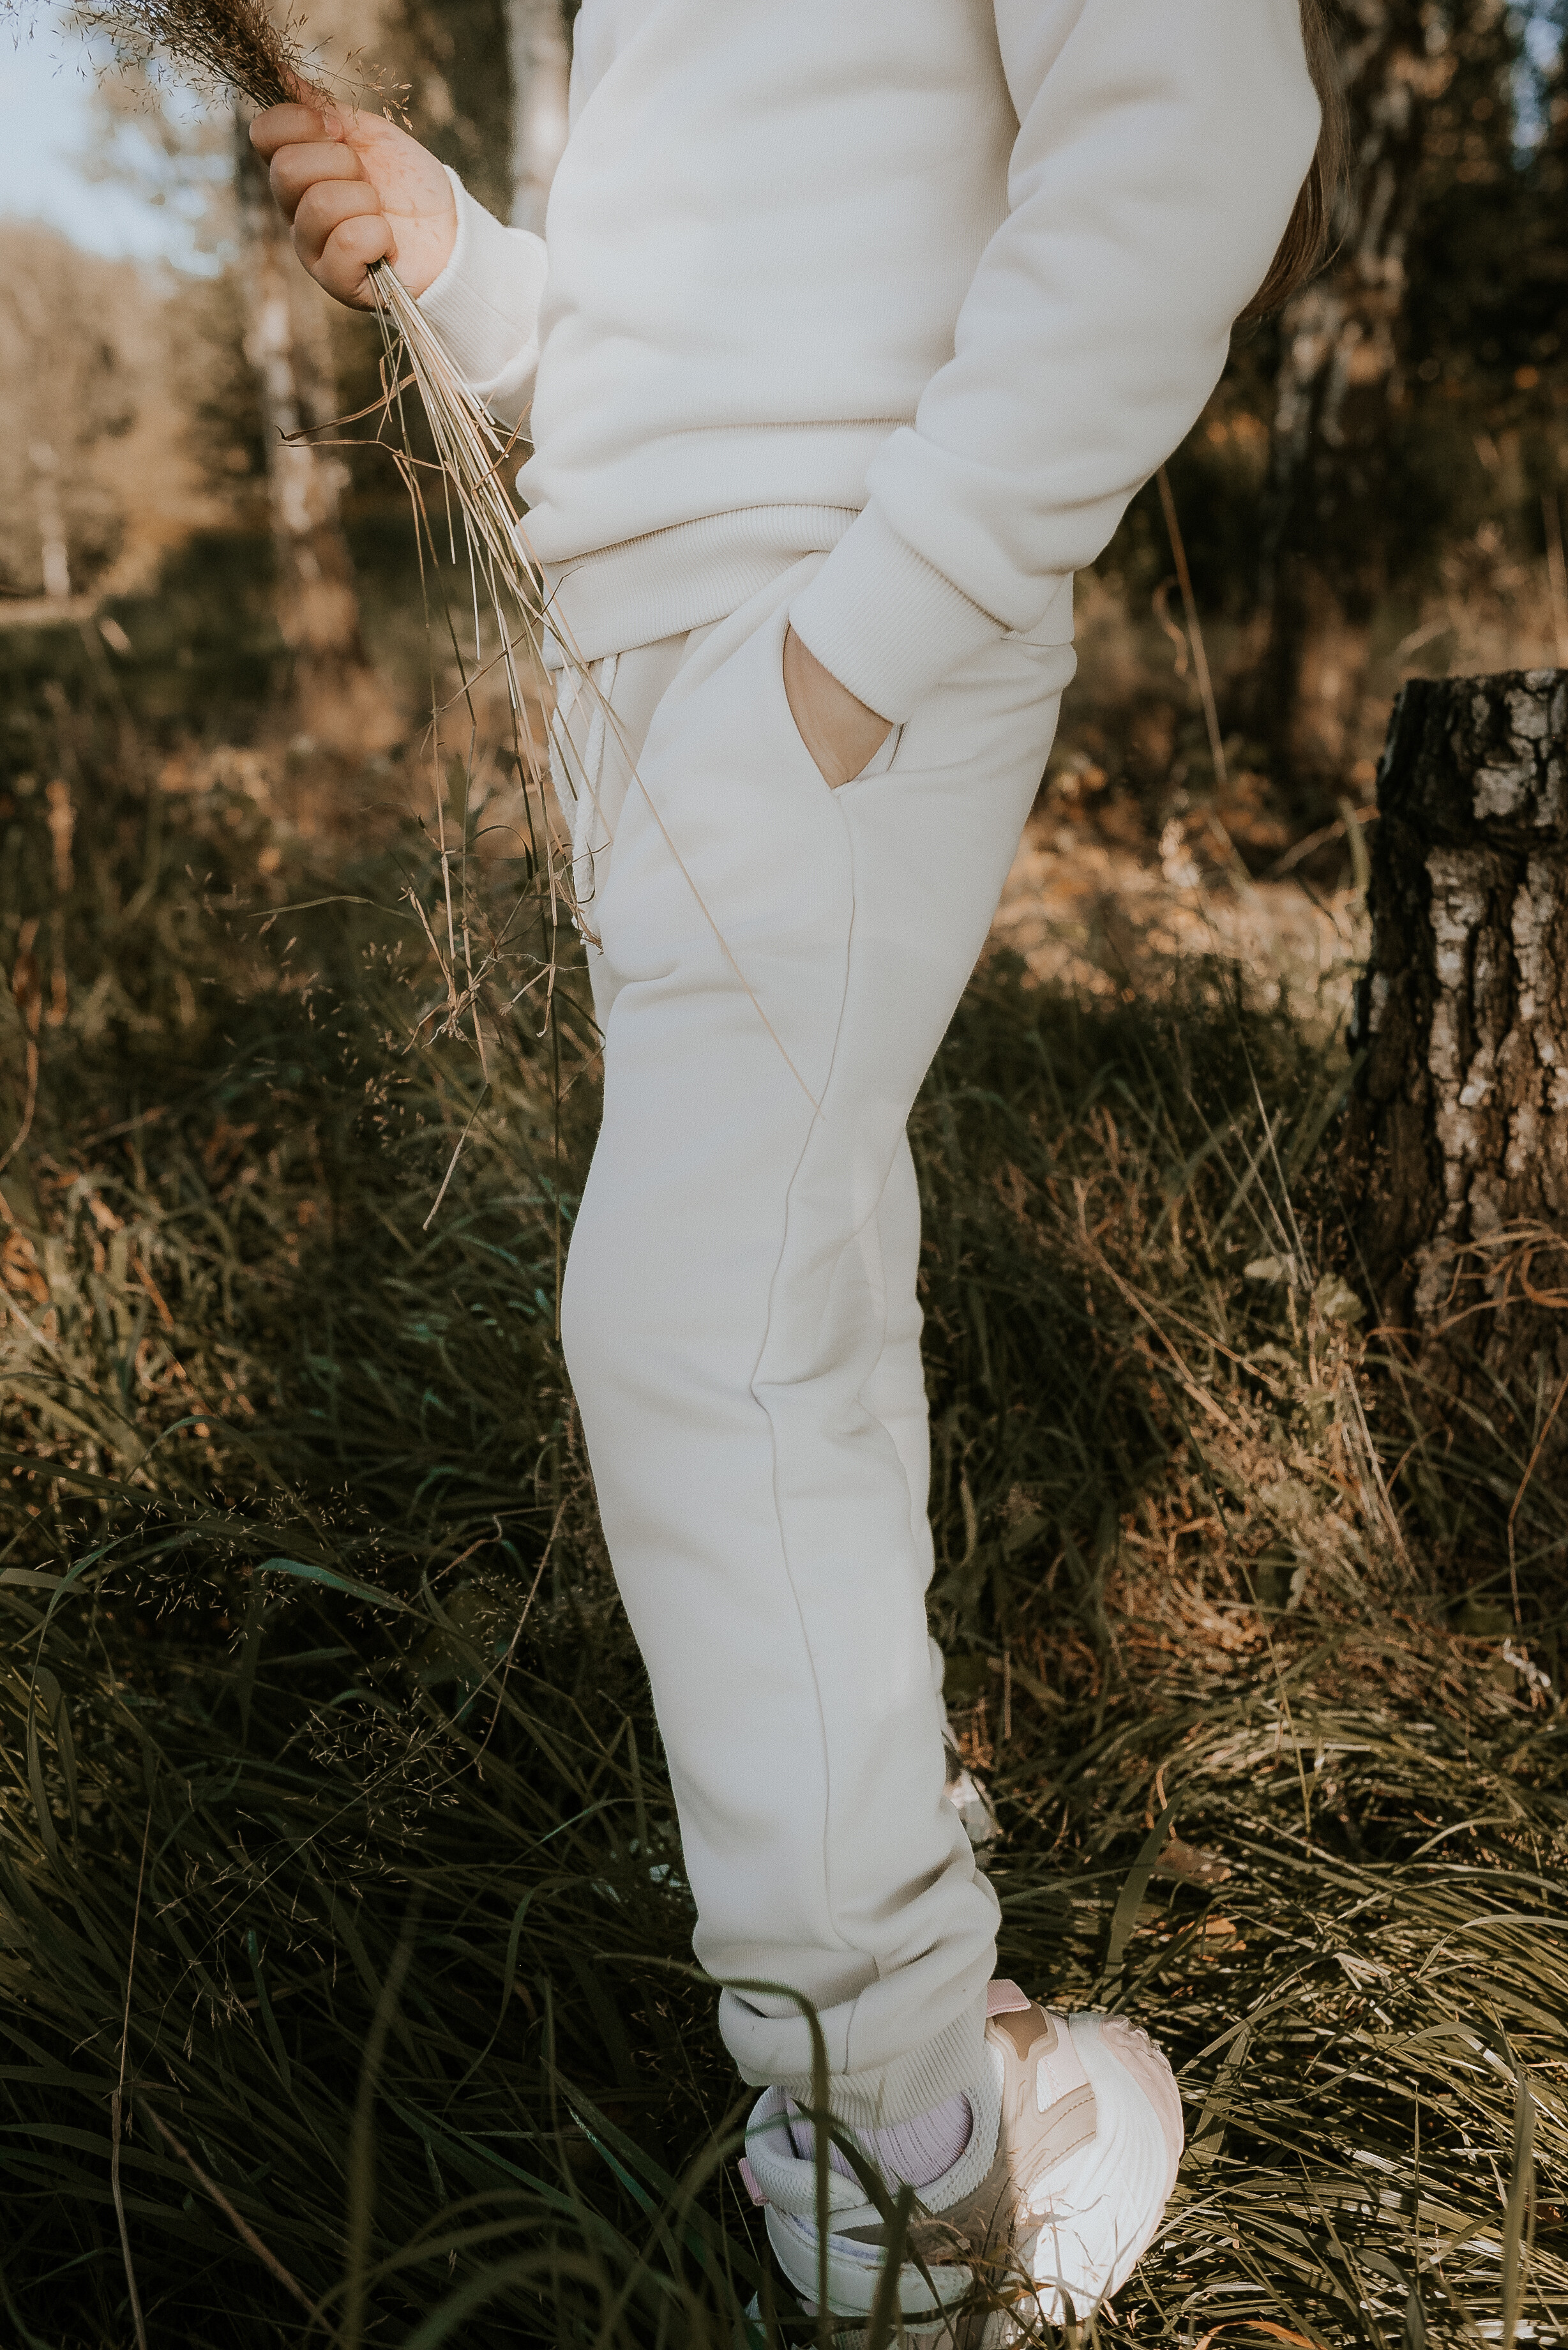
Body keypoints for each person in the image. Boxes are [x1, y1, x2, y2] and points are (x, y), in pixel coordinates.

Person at [253, 6, 1333, 2334]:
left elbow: (1198, 125)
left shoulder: (851, 629)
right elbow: (707, 319)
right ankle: (905, 1909)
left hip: (824, 632)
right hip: (651, 667)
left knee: (690, 1332)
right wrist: (470, 267)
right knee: (794, 1298)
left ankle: (905, 2158)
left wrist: (866, 638)